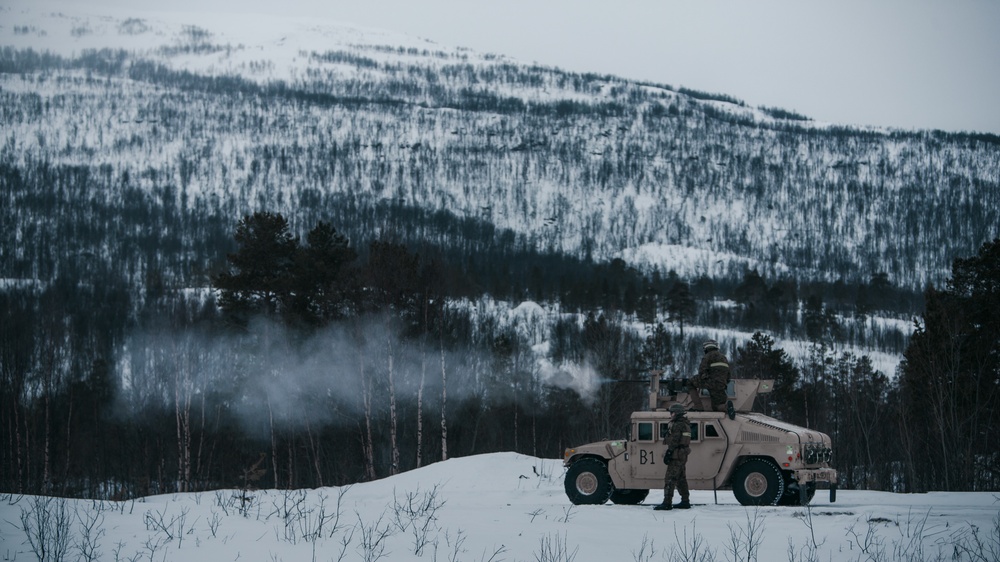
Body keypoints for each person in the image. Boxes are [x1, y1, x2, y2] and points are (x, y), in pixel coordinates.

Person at [654, 403, 691, 510]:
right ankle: (685, 500)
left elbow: (675, 440)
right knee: (681, 479)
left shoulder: (678, 424)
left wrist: (669, 453)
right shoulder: (685, 423)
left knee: (670, 478)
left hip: (676, 454)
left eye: (672, 412)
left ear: (676, 413)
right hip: (682, 454)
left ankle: (667, 502)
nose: (671, 414)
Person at [689, 339, 730, 413]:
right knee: (716, 406)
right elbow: (728, 375)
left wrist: (706, 382)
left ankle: (698, 406)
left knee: (690, 382)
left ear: (706, 348)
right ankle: (725, 407)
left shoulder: (707, 357)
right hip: (721, 385)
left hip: (711, 383)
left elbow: (701, 372)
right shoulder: (724, 358)